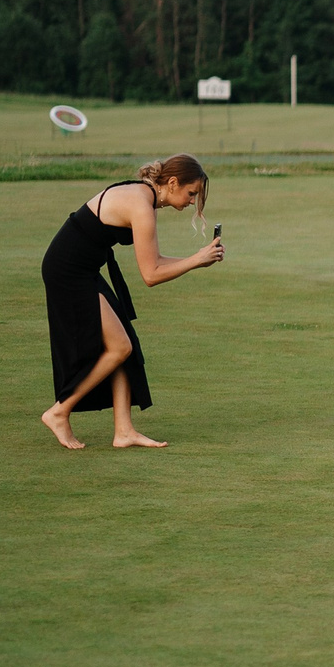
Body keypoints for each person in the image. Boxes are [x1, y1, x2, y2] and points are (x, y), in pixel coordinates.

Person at [39, 156, 222, 450]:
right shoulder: (141, 205)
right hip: (68, 272)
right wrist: (196, 260)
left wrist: (198, 260)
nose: (191, 201)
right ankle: (59, 411)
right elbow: (151, 275)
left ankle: (124, 431)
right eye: (191, 193)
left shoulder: (145, 196)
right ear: (172, 183)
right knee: (119, 346)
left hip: (83, 268)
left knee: (126, 344)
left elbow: (157, 261)